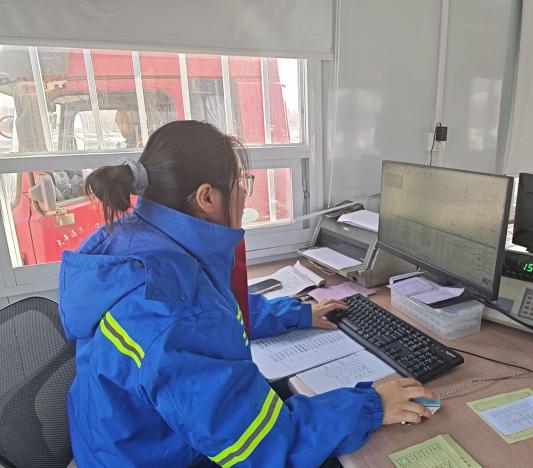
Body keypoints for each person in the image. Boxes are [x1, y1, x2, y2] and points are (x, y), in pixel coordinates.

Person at [59, 120, 436, 467]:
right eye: (239, 182)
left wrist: (297, 314)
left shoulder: (141, 241)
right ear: (206, 197)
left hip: (132, 445)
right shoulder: (174, 310)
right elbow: (262, 448)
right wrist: (373, 404)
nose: (243, 192)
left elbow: (212, 312)